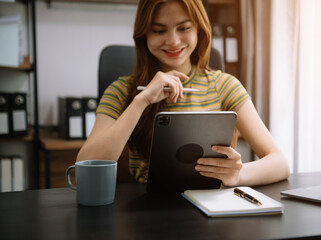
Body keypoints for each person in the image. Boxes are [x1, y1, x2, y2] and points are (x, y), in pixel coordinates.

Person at [77, 0, 290, 187]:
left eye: (184, 28)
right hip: (145, 212)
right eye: (159, 30)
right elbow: (81, 173)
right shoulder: (122, 91)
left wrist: (239, 174)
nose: (173, 41)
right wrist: (141, 101)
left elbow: (280, 163)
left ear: (199, 29)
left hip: (210, 209)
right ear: (144, 35)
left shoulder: (224, 86)